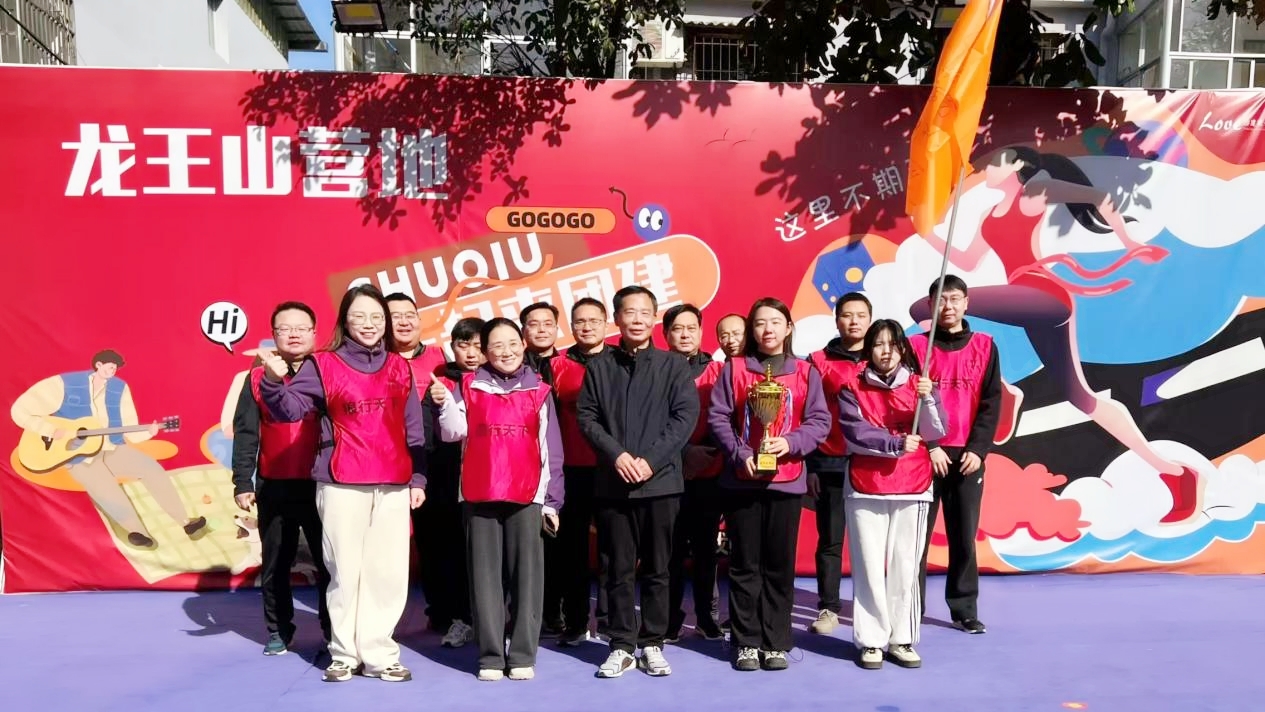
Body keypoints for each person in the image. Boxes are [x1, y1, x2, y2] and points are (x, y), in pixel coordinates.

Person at [914, 146, 1197, 524]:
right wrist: (928, 235)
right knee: (1082, 397)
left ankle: (1003, 392)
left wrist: (1129, 242)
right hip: (1027, 301)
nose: (986, 169)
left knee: (927, 308)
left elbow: (1098, 197)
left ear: (1017, 166)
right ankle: (1175, 474)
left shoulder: (1033, 194)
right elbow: (967, 260)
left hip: (1043, 293)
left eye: (995, 163)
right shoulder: (988, 214)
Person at [257, 284, 427, 684]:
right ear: (344, 323)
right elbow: (288, 410)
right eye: (359, 317)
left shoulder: (400, 367)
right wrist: (273, 381)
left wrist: (418, 477)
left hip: (393, 483)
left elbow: (414, 429)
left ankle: (380, 653)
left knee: (387, 573)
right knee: (344, 571)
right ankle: (344, 654)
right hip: (340, 482)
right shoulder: (323, 364)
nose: (369, 325)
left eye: (377, 317)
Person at [576, 285, 699, 679]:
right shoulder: (599, 366)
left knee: (660, 567)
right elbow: (587, 418)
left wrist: (650, 461)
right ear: (617, 319)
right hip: (614, 483)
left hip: (661, 483)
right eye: (630, 312)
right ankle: (621, 645)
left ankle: (652, 642)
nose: (638, 319)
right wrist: (618, 455)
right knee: (617, 567)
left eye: (645, 312)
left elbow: (684, 418)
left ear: (654, 317)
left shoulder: (673, 366)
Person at [436, 318, 565, 681]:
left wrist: (552, 501)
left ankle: (522, 654)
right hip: (479, 494)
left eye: (512, 343)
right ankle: (491, 656)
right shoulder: (467, 385)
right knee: (485, 580)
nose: (505, 352)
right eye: (496, 345)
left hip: (527, 495)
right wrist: (445, 404)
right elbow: (452, 433)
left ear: (523, 345)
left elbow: (551, 449)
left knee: (527, 580)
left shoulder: (539, 390)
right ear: (485, 352)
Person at [708, 298, 830, 672]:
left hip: (786, 481)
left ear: (788, 327)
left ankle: (776, 642)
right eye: (760, 323)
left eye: (776, 322)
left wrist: (790, 443)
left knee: (779, 565)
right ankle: (745, 642)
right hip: (742, 480)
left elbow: (819, 421)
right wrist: (739, 452)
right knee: (745, 564)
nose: (768, 330)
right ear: (752, 329)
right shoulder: (734, 368)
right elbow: (718, 417)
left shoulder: (805, 372)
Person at [10, 350, 207, 548]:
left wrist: (150, 431)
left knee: (151, 467)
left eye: (115, 368)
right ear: (98, 365)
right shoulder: (65, 384)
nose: (112, 371)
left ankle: (186, 522)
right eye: (109, 367)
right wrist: (50, 430)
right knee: (106, 489)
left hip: (112, 448)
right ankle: (138, 533)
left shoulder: (120, 388)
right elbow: (19, 411)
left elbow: (130, 429)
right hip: (77, 456)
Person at [840, 319, 948, 670]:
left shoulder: (920, 385)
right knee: (869, 566)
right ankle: (871, 640)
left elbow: (936, 430)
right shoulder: (852, 387)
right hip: (866, 486)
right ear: (868, 349)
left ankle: (902, 638)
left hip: (913, 485)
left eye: (893, 344)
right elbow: (854, 434)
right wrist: (896, 442)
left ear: (903, 349)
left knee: (906, 566)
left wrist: (928, 398)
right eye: (878, 344)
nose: (885, 351)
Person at [230, 301, 331, 657]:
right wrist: (243, 482)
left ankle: (333, 632)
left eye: (301, 328)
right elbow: (246, 432)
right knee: (275, 562)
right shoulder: (257, 378)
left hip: (322, 481)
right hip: (274, 483)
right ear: (273, 335)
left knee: (330, 562)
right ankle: (278, 629)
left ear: (314, 333)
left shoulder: (328, 372)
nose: (293, 334)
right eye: (285, 328)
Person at [910, 276, 998, 635]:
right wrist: (930, 445)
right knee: (915, 539)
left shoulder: (985, 345)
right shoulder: (916, 347)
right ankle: (910, 608)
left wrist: (978, 449)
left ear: (966, 303)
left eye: (954, 299)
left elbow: (991, 402)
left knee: (963, 537)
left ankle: (964, 609)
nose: (948, 307)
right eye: (941, 300)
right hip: (925, 456)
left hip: (966, 456)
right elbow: (907, 403)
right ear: (930, 305)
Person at [417, 317, 485, 649]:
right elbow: (426, 433)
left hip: (490, 480)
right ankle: (457, 617)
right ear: (452, 347)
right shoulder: (439, 384)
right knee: (449, 551)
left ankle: (493, 617)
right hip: (445, 480)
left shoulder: (503, 379)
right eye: (463, 345)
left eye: (478, 346)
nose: (471, 353)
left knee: (487, 553)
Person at [547, 297, 611, 646]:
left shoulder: (620, 360)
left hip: (613, 468)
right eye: (580, 321)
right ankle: (575, 622)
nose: (587, 327)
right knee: (572, 551)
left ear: (606, 323)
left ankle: (611, 620)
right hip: (571, 469)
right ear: (571, 326)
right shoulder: (556, 365)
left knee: (613, 549)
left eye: (593, 321)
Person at [806, 292, 871, 635]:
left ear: (870, 320)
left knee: (870, 544)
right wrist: (812, 466)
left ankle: (870, 609)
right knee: (830, 541)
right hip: (830, 464)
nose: (854, 321)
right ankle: (828, 608)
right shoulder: (818, 361)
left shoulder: (884, 357)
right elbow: (806, 415)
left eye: (861, 315)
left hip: (872, 466)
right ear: (837, 320)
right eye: (847, 315)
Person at [662, 304, 725, 643]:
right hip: (667, 474)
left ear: (701, 332)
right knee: (669, 553)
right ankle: (669, 619)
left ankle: (706, 617)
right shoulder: (655, 371)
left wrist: (703, 453)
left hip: (709, 472)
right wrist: (683, 454)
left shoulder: (718, 371)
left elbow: (727, 418)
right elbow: (650, 423)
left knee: (705, 551)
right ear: (665, 334)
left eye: (691, 328)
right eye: (677, 328)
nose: (685, 334)